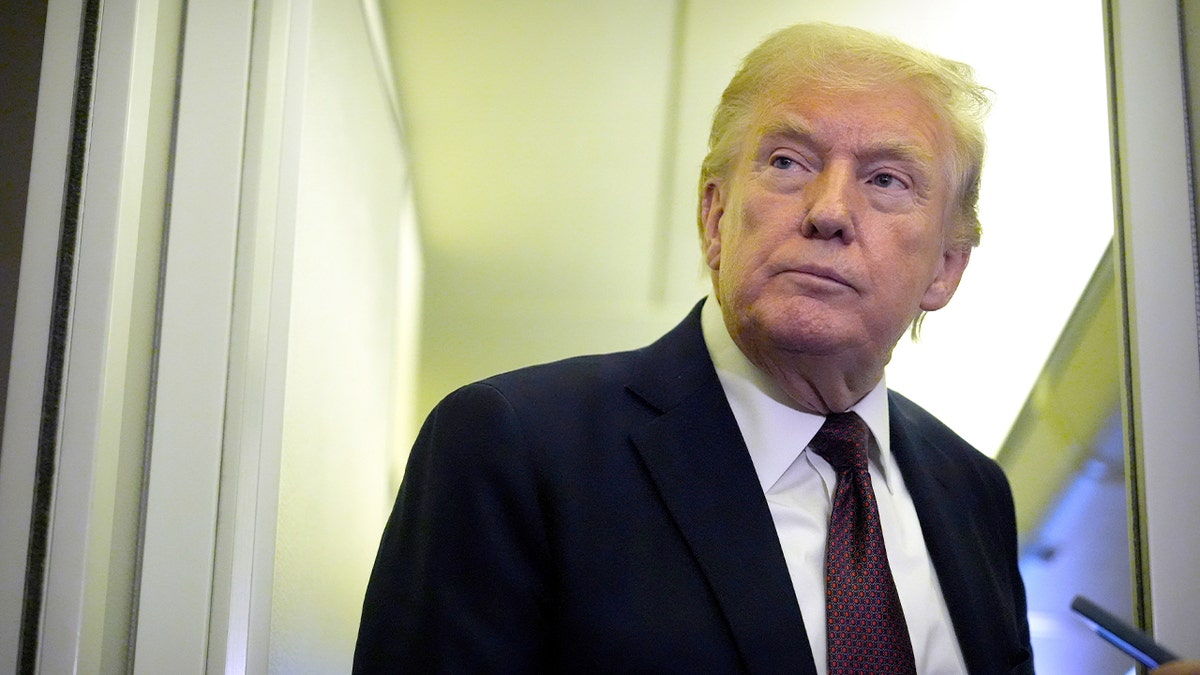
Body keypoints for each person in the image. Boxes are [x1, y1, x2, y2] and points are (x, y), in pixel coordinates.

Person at [354, 22, 1032, 674]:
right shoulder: (514, 445)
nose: (828, 211)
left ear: (946, 267)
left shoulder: (974, 492)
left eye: (886, 180)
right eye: (788, 162)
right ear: (714, 215)